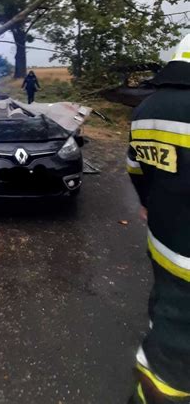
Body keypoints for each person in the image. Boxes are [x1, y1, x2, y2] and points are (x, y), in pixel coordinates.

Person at [126, 34, 190, 403]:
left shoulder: (145, 110)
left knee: (163, 306)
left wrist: (147, 202)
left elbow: (136, 168)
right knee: (172, 360)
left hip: (163, 242)